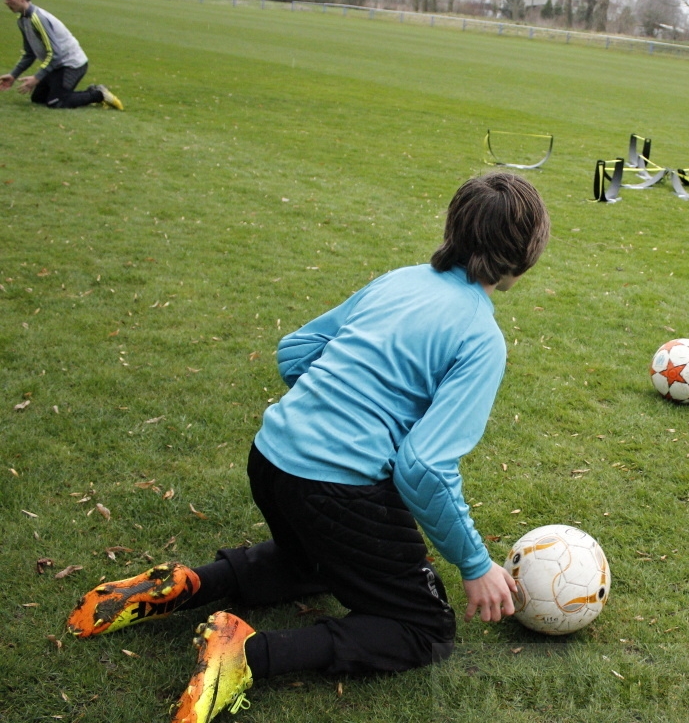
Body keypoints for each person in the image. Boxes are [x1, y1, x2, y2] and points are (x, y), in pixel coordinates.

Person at [65, 172, 550, 723]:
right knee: (424, 629)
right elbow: (425, 468)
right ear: (526, 253)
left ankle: (191, 583)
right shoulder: (480, 337)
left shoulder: (400, 281)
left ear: (454, 227)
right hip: (332, 488)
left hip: (270, 458)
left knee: (314, 562)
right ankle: (245, 654)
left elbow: (296, 351)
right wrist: (473, 564)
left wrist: (338, 404)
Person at [0, 0, 123, 110]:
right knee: (38, 98)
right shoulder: (22, 21)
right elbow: (29, 53)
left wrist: (37, 78)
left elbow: (55, 53)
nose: (6, 2)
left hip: (73, 64)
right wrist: (14, 75)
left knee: (56, 102)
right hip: (57, 66)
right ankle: (86, 91)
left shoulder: (38, 19)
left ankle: (99, 94)